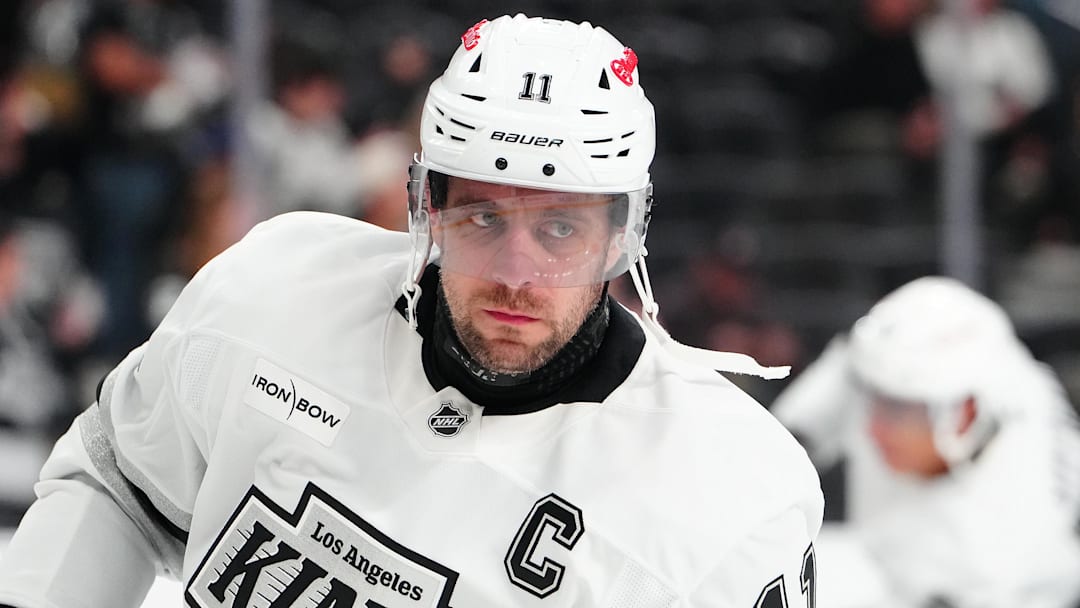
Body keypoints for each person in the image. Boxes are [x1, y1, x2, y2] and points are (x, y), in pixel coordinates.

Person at [0, 14, 823, 607]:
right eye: (483, 219)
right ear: (428, 209)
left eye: (559, 229)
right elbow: (118, 482)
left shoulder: (725, 497)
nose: (517, 275)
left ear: (620, 236)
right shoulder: (275, 294)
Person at [772, 276, 1080, 607]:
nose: (871, 428)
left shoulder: (1009, 544)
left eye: (898, 410)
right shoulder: (885, 369)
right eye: (873, 397)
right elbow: (782, 442)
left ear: (965, 416)